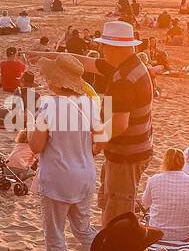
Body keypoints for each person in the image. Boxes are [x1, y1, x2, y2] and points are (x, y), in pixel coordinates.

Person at [34, 20, 153, 225]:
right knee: (111, 202)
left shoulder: (123, 78)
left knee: (119, 209)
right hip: (131, 150)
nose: (101, 48)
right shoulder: (128, 65)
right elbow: (86, 63)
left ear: (115, 48)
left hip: (127, 154)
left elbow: (119, 124)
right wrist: (50, 57)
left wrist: (92, 141)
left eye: (104, 45)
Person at [28, 53, 98, 251]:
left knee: (55, 234)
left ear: (56, 81)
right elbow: (99, 144)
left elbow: (36, 145)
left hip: (58, 177)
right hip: (85, 173)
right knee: (84, 229)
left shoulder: (49, 106)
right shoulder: (91, 104)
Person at [141, 148, 189, 243]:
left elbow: (145, 202)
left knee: (147, 218)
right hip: (186, 233)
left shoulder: (154, 179)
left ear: (165, 162)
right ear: (183, 163)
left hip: (157, 232)